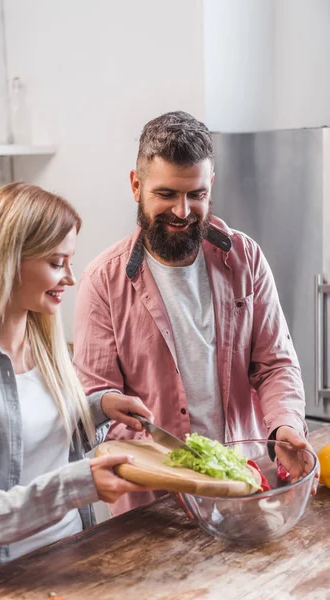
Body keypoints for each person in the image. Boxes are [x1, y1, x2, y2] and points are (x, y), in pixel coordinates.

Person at [73, 111, 318, 516]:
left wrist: (286, 425)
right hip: (154, 506)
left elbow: (275, 364)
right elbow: (98, 409)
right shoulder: (102, 282)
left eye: (196, 195)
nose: (183, 211)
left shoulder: (244, 258)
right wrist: (175, 473)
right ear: (137, 186)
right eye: (166, 194)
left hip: (245, 485)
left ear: (211, 187)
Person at [0, 182, 154, 590]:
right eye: (57, 262)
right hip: (4, 582)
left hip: (76, 561)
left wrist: (99, 408)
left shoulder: (46, 346)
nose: (70, 277)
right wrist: (76, 485)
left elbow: (33, 434)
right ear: (8, 262)